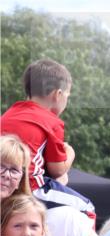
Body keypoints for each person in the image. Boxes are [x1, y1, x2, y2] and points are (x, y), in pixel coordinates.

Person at [1, 135, 110, 236]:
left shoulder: (62, 217)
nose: (6, 174)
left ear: (21, 179)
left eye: (14, 170)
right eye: (0, 166)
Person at [0, 59, 95, 219]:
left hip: (6, 182)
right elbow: (57, 169)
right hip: (31, 186)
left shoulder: (9, 114)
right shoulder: (52, 122)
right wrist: (70, 153)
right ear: (58, 95)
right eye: (67, 96)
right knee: (87, 208)